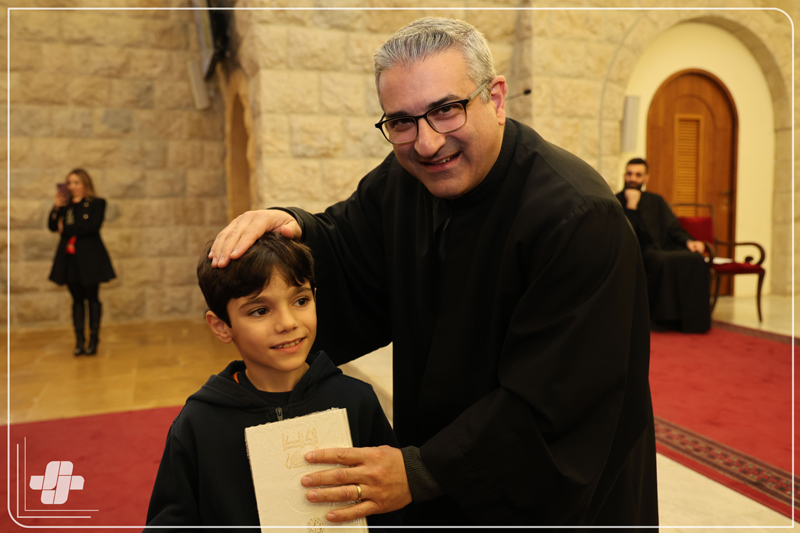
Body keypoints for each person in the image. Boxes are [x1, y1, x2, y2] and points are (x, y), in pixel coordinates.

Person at [209, 18, 658, 527]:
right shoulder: (407, 181)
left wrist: (422, 471)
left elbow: (559, 402)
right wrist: (296, 228)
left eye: (446, 109)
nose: (426, 143)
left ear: (496, 99)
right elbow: (348, 249)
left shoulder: (577, 219)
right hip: (441, 469)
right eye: (401, 121)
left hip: (545, 500)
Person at [145, 233, 400, 528]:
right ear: (222, 326)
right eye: (260, 311)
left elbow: (391, 506)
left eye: (301, 300)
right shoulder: (199, 422)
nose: (288, 323)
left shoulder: (356, 401)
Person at [616, 158, 711, 333]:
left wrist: (689, 241)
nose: (633, 179)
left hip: (663, 247)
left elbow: (673, 228)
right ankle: (663, 320)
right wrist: (631, 208)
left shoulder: (656, 200)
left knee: (696, 259)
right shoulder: (616, 201)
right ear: (624, 175)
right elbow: (625, 235)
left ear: (646, 178)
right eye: (629, 174)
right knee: (660, 260)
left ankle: (690, 320)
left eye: (638, 175)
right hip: (639, 252)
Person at [48, 168, 115, 356]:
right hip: (70, 260)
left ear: (85, 184)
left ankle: (93, 339)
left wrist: (66, 228)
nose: (72, 186)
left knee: (92, 298)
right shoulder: (66, 205)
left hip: (90, 259)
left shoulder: (97, 203)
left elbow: (91, 227)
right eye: (69, 183)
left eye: (76, 182)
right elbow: (52, 226)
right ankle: (79, 341)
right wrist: (56, 208)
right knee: (77, 300)